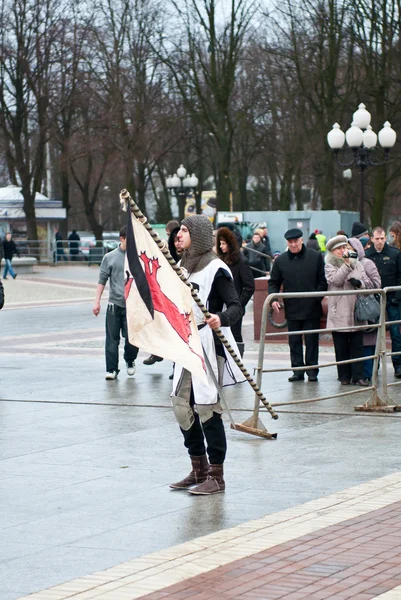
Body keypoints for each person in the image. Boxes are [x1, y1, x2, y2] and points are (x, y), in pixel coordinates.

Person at [170, 215, 243, 495]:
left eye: (185, 231)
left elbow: (237, 307)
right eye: (179, 231)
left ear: (198, 235)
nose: (179, 235)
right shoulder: (181, 267)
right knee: (180, 405)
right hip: (186, 342)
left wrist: (220, 318)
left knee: (206, 406)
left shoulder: (216, 268)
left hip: (209, 343)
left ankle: (216, 475)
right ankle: (198, 468)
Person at [269, 228, 327, 382]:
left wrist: (315, 298)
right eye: (290, 242)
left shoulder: (315, 257)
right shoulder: (280, 260)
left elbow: (323, 282)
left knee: (311, 341)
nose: (293, 245)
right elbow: (274, 282)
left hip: (312, 307)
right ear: (287, 243)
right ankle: (298, 371)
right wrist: (273, 298)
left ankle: (312, 371)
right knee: (294, 341)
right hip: (292, 307)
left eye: (296, 241)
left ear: (301, 240)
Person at [93, 225, 139, 380]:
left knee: (132, 337)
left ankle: (130, 359)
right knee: (112, 338)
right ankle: (111, 369)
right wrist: (97, 301)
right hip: (114, 304)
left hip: (132, 305)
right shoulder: (110, 257)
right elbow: (102, 280)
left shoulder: (137, 257)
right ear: (122, 239)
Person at [325, 235, 370, 386]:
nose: (343, 251)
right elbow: (336, 280)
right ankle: (344, 376)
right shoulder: (329, 265)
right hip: (339, 311)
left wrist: (360, 284)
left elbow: (368, 283)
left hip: (356, 311)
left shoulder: (357, 264)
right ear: (332, 251)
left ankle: (359, 376)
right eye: (339, 249)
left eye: (345, 247)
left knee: (357, 346)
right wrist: (346, 265)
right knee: (341, 346)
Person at [143, 221, 181, 367]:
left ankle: (175, 365)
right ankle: (158, 353)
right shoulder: (168, 249)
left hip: (178, 294)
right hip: (167, 291)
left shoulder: (182, 253)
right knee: (160, 323)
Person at [365, 226, 401, 379]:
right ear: (372, 239)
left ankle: (398, 365)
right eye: (377, 239)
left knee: (395, 333)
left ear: (385, 238)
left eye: (382, 238)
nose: (379, 241)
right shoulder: (367, 256)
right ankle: (375, 365)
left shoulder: (395, 254)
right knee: (375, 334)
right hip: (374, 300)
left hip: (392, 299)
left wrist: (397, 296)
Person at [216, 227, 255, 357]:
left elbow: (249, 286)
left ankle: (238, 365)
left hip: (234, 306)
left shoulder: (241, 261)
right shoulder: (221, 260)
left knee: (235, 335)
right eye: (220, 243)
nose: (221, 246)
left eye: (223, 243)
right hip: (222, 305)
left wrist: (238, 304)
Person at [348, 237, 381, 383]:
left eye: (352, 249)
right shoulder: (345, 264)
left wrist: (361, 284)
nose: (349, 252)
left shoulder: (367, 263)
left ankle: (369, 372)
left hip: (366, 309)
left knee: (368, 342)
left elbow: (377, 284)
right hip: (350, 310)